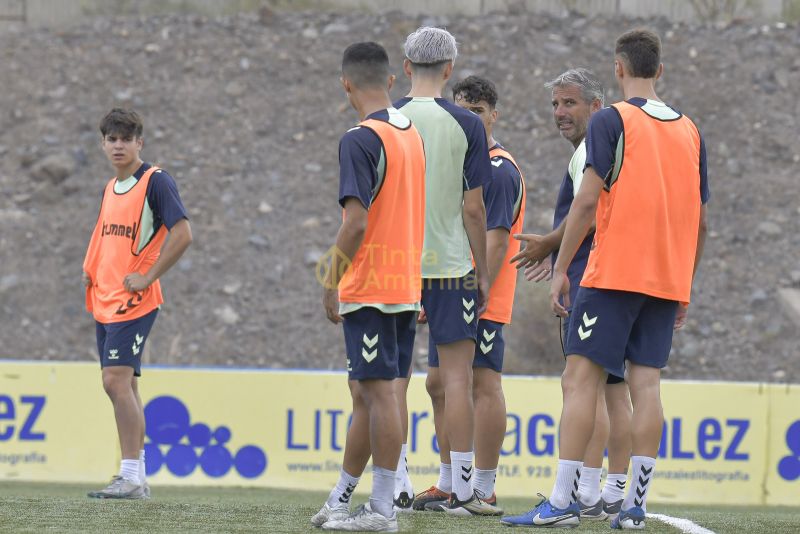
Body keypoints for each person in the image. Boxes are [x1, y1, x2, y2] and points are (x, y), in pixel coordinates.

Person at [502, 28, 708, 529]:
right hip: (665, 279)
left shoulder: (613, 118)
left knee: (579, 381)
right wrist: (685, 284)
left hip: (613, 273)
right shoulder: (690, 130)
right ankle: (632, 506)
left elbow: (588, 201)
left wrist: (559, 270)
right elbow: (701, 220)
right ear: (659, 70)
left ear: (618, 69)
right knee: (646, 386)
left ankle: (562, 502)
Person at [313, 41, 426, 532]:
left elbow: (355, 223)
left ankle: (383, 510)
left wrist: (329, 276)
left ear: (345, 84)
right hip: (403, 283)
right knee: (367, 393)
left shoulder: (360, 138)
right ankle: (340, 499)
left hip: (372, 286)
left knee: (379, 396)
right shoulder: (410, 134)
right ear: (392, 82)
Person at [511, 68, 633, 521]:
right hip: (611, 274)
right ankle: (608, 492)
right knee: (611, 388)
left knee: (587, 387)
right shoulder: (603, 146)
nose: (560, 113)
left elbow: (587, 207)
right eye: (555, 105)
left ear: (596, 107)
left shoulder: (591, 148)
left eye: (569, 104)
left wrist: (554, 251)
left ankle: (582, 493)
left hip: (592, 276)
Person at [393, 27, 493, 515]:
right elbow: (474, 209)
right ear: (449, 70)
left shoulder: (384, 120)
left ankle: (394, 482)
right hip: (452, 266)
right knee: (457, 378)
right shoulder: (468, 125)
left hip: (395, 266)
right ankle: (466, 487)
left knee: (393, 378)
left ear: (407, 67)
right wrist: (485, 271)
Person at [417, 75, 525, 516]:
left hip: (481, 292)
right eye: (464, 112)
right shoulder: (462, 164)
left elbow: (496, 239)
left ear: (493, 116)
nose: (471, 120)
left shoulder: (497, 169)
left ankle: (483, 485)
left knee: (482, 384)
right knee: (439, 383)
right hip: (452, 286)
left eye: (478, 112)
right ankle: (449, 481)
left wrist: (479, 289)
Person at [83, 108, 192, 499]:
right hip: (107, 298)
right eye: (111, 139)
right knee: (122, 383)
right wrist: (89, 269)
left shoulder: (155, 181)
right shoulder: (111, 187)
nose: (118, 145)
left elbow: (183, 233)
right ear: (103, 143)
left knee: (114, 380)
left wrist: (148, 277)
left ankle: (129, 475)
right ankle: (137, 478)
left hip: (135, 300)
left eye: (125, 139)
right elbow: (103, 235)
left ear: (139, 143)